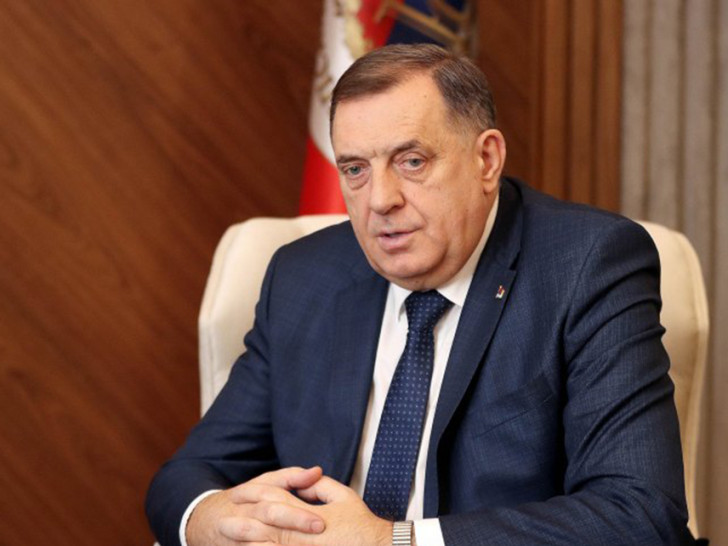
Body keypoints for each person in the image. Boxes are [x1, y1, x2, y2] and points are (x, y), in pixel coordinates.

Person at [146, 44, 695, 545]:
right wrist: (210, 519)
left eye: (412, 161)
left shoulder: (587, 265)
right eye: (355, 169)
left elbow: (639, 513)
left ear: (486, 160)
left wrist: (392, 541)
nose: (379, 200)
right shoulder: (304, 276)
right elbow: (188, 476)